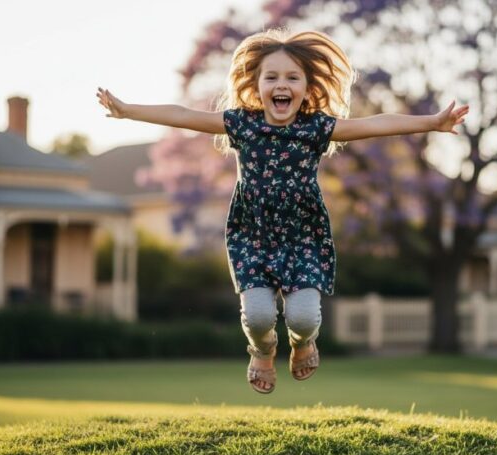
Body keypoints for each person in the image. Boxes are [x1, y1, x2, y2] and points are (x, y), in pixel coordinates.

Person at [96, 28, 468, 395]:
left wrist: (432, 123)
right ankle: (262, 351)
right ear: (256, 86)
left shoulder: (315, 128)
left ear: (307, 88)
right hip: (252, 233)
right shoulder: (241, 124)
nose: (281, 85)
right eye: (271, 77)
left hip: (303, 235)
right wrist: (128, 110)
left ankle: (304, 343)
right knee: (257, 317)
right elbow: (181, 114)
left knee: (304, 318)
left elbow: (374, 124)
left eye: (293, 77)